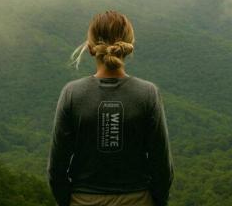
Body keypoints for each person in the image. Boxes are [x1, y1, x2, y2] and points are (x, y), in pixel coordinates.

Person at [47, 10, 174, 206]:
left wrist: (69, 201)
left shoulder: (72, 93)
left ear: (90, 48)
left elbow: (56, 168)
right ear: (128, 47)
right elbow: (162, 167)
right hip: (138, 199)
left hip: (83, 200)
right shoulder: (147, 94)